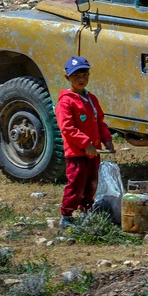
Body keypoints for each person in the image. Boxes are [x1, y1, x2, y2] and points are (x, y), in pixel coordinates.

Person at [55, 56, 115, 228]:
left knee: (92, 183)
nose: (81, 79)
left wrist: (107, 140)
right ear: (67, 77)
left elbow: (100, 122)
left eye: (84, 75)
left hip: (93, 153)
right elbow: (67, 128)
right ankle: (66, 216)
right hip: (77, 153)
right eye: (76, 76)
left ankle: (86, 212)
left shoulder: (92, 99)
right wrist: (85, 143)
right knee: (76, 184)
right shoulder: (66, 102)